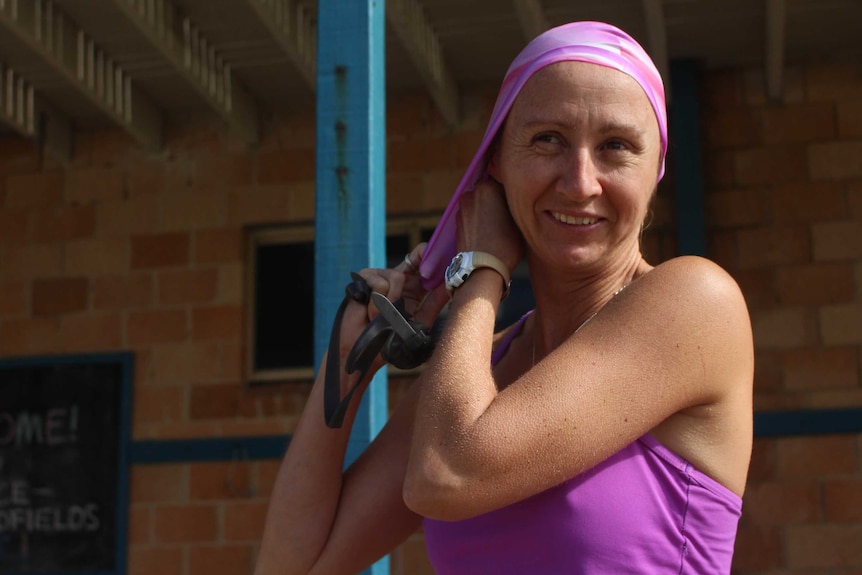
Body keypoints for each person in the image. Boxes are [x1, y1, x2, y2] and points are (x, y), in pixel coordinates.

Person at [255, 20, 753, 575]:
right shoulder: (471, 379)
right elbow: (292, 566)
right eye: (548, 140)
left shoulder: (693, 302)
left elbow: (447, 473)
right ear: (494, 164)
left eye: (616, 146)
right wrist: (347, 357)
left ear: (654, 169)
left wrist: (481, 268)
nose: (581, 182)